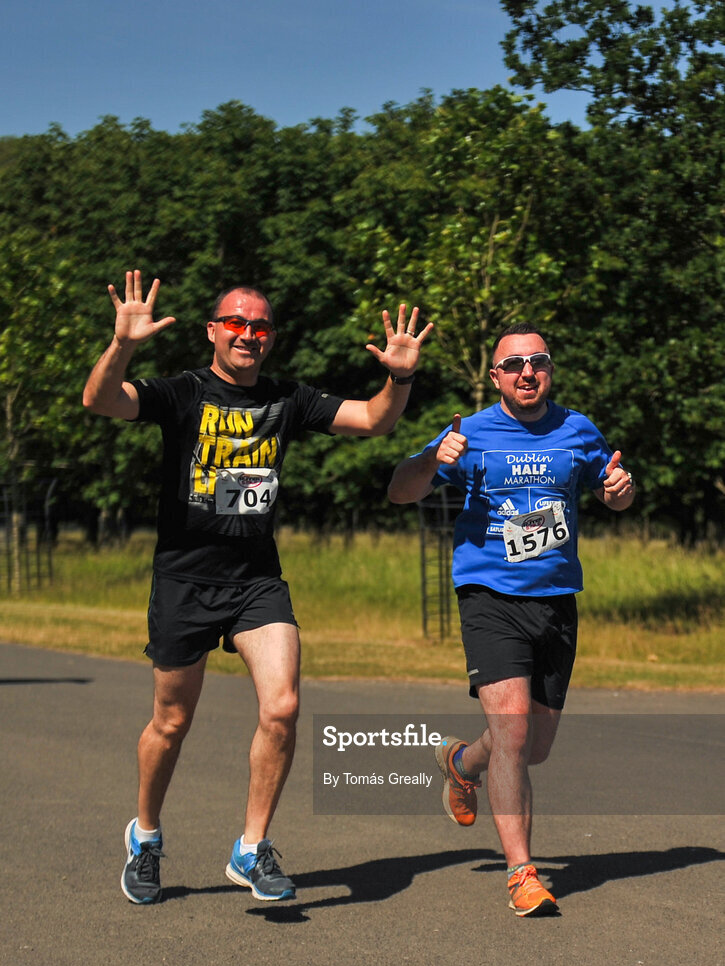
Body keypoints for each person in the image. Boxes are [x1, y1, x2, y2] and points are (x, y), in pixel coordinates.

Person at [83, 269, 432, 905]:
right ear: (215, 332)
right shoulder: (185, 393)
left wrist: (400, 377)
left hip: (256, 581)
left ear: (270, 339)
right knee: (171, 721)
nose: (249, 334)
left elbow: (375, 419)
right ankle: (146, 837)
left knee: (283, 707)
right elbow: (102, 401)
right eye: (237, 324)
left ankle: (251, 847)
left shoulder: (286, 399)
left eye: (260, 326)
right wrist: (124, 345)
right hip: (185, 579)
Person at [387, 322, 634, 916]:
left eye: (538, 361)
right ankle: (522, 871)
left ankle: (459, 762)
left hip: (555, 601)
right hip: (489, 597)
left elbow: (615, 492)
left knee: (531, 747)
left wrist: (620, 491)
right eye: (514, 364)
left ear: (550, 370)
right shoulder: (467, 432)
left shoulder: (578, 429)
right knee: (515, 735)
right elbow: (400, 490)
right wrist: (430, 459)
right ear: (496, 376)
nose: (528, 371)